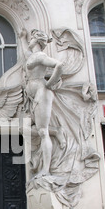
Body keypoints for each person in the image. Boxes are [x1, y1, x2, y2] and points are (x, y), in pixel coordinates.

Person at [25, 29, 65, 178]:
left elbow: (59, 65)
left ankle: (46, 170)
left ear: (36, 40)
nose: (29, 41)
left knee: (42, 132)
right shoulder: (32, 56)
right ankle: (56, 132)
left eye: (30, 38)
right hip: (33, 96)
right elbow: (26, 54)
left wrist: (49, 84)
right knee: (24, 127)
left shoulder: (41, 56)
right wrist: (22, 38)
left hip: (42, 93)